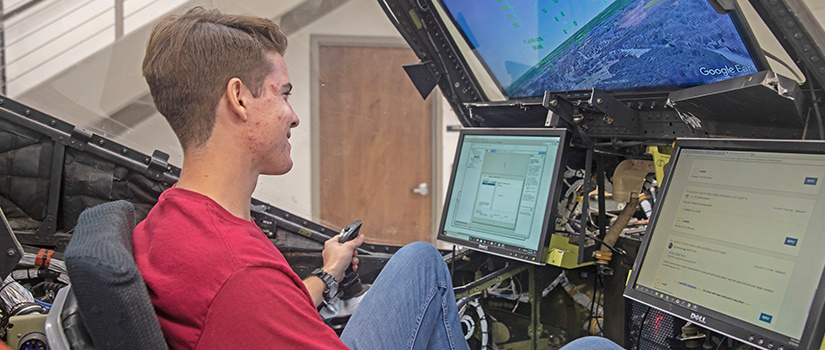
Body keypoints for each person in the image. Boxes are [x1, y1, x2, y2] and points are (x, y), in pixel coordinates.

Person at [133, 6, 623, 350]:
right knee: (595, 347)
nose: (293, 115)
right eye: (281, 93)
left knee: (419, 260)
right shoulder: (238, 274)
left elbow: (268, 312)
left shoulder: (173, 220)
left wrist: (327, 273)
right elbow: (250, 298)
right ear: (239, 99)